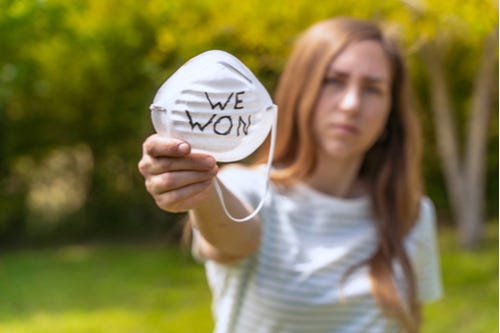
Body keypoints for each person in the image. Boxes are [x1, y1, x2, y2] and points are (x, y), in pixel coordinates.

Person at [138, 17, 443, 333]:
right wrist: (197, 185)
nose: (352, 104)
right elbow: (230, 237)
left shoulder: (412, 214)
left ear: (390, 111)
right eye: (333, 81)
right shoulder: (245, 190)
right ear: (300, 91)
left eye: (372, 89)